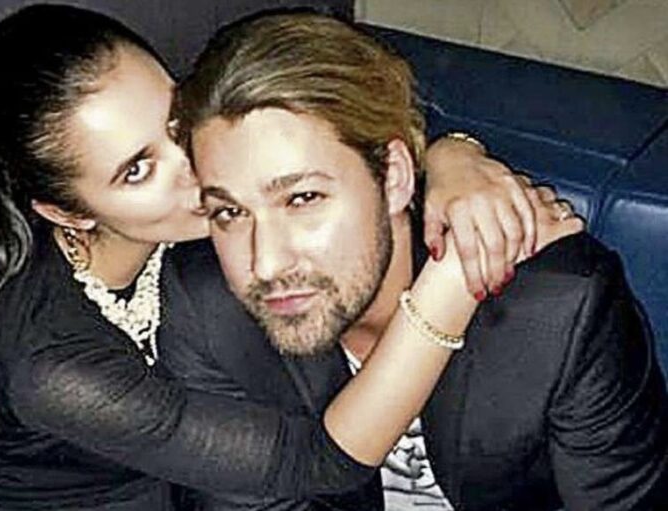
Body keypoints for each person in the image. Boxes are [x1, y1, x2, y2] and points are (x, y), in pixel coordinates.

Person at [0, 4, 579, 511]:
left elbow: (342, 121)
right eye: (138, 170)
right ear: (68, 213)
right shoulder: (50, 366)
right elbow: (318, 464)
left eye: (175, 123)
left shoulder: (181, 223)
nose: (195, 167)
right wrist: (455, 277)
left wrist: (453, 156)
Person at [171, 12, 668, 511]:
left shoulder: (558, 308)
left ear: (394, 178)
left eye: (302, 199)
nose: (265, 263)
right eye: (230, 212)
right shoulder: (206, 312)